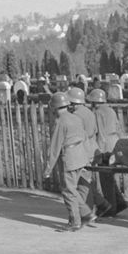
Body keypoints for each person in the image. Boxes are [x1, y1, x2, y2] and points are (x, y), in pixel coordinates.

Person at [43, 92, 94, 232]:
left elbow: (55, 147)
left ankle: (75, 222)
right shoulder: (76, 118)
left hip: (70, 159)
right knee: (72, 189)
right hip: (81, 157)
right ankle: (86, 213)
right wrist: (87, 158)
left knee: (68, 191)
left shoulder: (60, 122)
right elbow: (84, 138)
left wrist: (48, 169)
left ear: (54, 107)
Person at [66, 87, 112, 219]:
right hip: (93, 148)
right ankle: (102, 203)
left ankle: (87, 212)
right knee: (86, 180)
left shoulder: (76, 116)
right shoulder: (89, 112)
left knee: (82, 182)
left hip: (84, 151)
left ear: (73, 102)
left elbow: (76, 135)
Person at [87, 87, 128, 216]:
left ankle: (111, 209)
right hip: (114, 143)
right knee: (110, 177)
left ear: (94, 101)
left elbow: (100, 133)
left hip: (105, 146)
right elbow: (118, 127)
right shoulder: (110, 110)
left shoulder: (97, 113)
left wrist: (97, 151)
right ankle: (119, 203)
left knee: (105, 179)